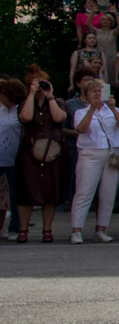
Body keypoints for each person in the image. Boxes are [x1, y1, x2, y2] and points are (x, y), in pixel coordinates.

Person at [69, 76, 119, 243]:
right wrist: (91, 110)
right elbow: (81, 129)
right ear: (86, 94)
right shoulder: (80, 112)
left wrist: (113, 108)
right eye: (93, 90)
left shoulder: (113, 109)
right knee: (84, 192)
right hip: (90, 154)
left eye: (100, 90)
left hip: (111, 153)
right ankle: (76, 230)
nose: (97, 93)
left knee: (108, 194)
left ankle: (101, 229)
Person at [16, 69, 65, 242]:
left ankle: (47, 230)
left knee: (50, 192)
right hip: (29, 152)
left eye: (42, 82)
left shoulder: (57, 101)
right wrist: (31, 95)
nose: (40, 87)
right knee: (26, 192)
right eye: (36, 84)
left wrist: (49, 97)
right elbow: (26, 117)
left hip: (52, 152)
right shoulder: (24, 103)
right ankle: (23, 230)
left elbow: (59, 118)